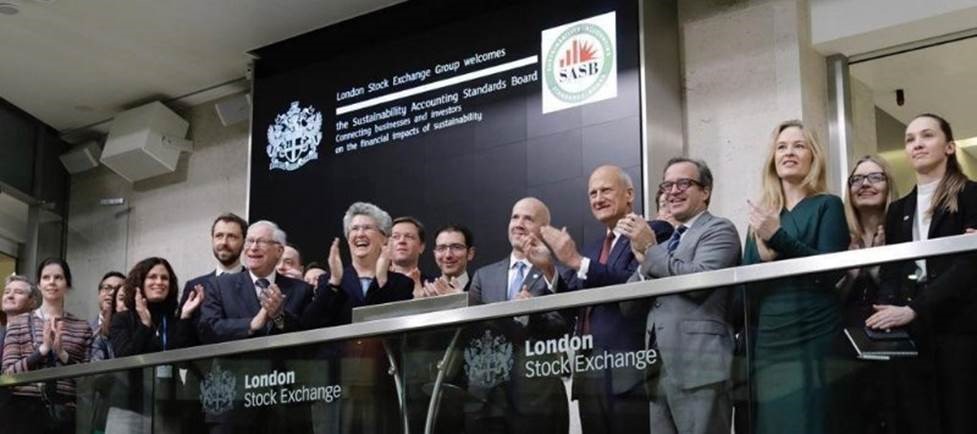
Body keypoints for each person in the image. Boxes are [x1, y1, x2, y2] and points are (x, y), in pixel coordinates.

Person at [866, 113, 977, 434]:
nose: (917, 144)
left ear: (950, 147)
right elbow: (893, 270)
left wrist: (913, 308)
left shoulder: (971, 195)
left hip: (961, 331)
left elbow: (968, 266)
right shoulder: (898, 209)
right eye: (910, 139)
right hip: (915, 335)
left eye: (926, 136)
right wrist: (885, 311)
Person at [540, 164, 671, 434]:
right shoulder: (592, 248)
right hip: (590, 377)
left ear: (629, 194)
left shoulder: (655, 231)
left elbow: (634, 285)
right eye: (592, 193)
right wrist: (549, 269)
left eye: (606, 190)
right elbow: (575, 308)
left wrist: (576, 261)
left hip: (630, 373)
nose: (598, 198)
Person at [743, 120, 849, 434]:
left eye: (798, 146)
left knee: (813, 419)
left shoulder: (827, 205)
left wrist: (778, 239)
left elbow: (831, 272)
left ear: (813, 157)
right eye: (782, 147)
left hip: (814, 332)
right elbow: (746, 289)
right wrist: (761, 254)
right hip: (770, 337)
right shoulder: (762, 216)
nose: (789, 152)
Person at [623, 157, 741, 434]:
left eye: (683, 183)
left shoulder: (719, 229)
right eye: (667, 185)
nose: (673, 191)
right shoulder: (664, 245)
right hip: (658, 370)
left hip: (700, 367)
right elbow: (627, 304)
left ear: (705, 191)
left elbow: (697, 282)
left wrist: (650, 251)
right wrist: (644, 265)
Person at [300, 202, 413, 434]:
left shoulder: (401, 284)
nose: (359, 234)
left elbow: (392, 331)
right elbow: (309, 325)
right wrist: (333, 282)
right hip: (336, 387)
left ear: (384, 239)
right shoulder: (330, 282)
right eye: (354, 229)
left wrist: (381, 280)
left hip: (382, 386)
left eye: (367, 228)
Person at [467, 197, 571, 434]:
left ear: (543, 229)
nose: (519, 223)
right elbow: (474, 332)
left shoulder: (557, 272)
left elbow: (564, 324)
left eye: (528, 218)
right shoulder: (484, 275)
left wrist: (533, 313)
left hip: (538, 397)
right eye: (515, 217)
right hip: (489, 397)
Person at [834, 155, 897, 434]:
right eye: (857, 179)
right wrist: (851, 271)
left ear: (889, 185)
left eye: (875, 177)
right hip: (844, 352)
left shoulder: (903, 230)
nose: (865, 184)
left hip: (894, 350)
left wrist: (873, 268)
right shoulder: (838, 235)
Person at [2, 258, 95, 434]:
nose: (51, 282)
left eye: (58, 277)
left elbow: (88, 381)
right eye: (46, 277)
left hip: (65, 412)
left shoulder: (82, 326)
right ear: (38, 284)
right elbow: (7, 375)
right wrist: (42, 351)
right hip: (22, 411)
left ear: (67, 284)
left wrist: (63, 354)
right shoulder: (19, 323)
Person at [199, 220, 312, 343]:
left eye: (261, 242)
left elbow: (308, 335)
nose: (253, 248)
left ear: (279, 251)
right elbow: (207, 330)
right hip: (235, 361)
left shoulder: (301, 290)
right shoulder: (219, 286)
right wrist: (251, 324)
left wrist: (279, 317)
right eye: (250, 241)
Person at [110, 257, 203, 356]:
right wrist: (145, 324)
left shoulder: (174, 319)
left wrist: (185, 317)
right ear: (140, 282)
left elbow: (186, 357)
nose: (159, 282)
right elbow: (124, 357)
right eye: (152, 277)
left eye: (164, 278)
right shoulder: (122, 319)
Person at [180, 212, 248, 347]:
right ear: (212, 239)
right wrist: (185, 317)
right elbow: (184, 341)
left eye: (232, 237)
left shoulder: (255, 282)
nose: (224, 242)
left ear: (244, 242)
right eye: (219, 236)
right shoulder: (194, 286)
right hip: (203, 366)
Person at [417, 224, 476, 297]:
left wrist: (462, 299)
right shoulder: (425, 292)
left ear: (470, 253)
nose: (448, 255)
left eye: (456, 247)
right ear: (435, 254)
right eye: (441, 248)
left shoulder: (483, 290)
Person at [389, 216, 434, 294]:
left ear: (421, 247)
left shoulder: (433, 287)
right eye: (395, 237)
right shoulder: (376, 284)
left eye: (409, 237)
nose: (402, 241)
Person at [90, 271, 125, 360]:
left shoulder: (133, 329)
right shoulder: (85, 328)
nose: (112, 293)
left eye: (118, 289)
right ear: (99, 293)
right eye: (107, 288)